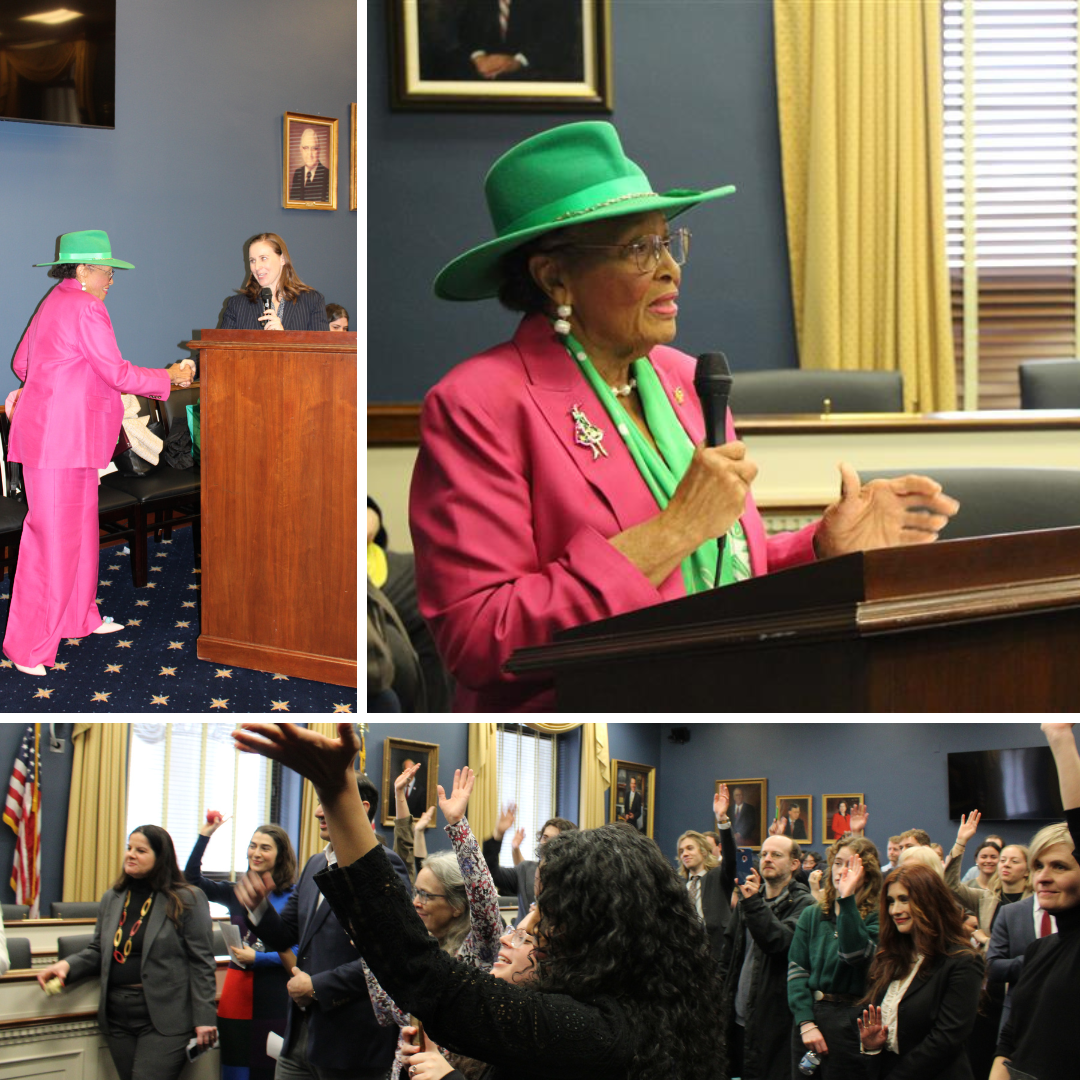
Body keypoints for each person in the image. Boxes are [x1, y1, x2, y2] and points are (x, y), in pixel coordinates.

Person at [410, 121, 959, 711]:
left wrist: (820, 550)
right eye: (638, 250)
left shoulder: (681, 377)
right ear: (555, 277)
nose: (671, 267)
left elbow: (712, 576)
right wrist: (672, 530)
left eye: (667, 242)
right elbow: (480, 639)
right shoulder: (478, 404)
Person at [232, 722, 727, 1080]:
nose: (525, 921)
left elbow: (425, 973)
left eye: (548, 913)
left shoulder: (596, 1030)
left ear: (599, 931)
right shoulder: (636, 1007)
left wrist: (337, 789)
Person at [2, 230, 193, 676]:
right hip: (60, 442)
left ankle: (77, 618)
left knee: (79, 535)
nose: (111, 279)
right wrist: (169, 377)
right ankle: (28, 648)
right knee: (51, 544)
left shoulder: (55, 299)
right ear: (83, 270)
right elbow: (116, 371)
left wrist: (43, 388)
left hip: (68, 438)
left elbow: (22, 364)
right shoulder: (88, 307)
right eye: (107, 271)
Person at [238, 773, 410, 1080]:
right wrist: (258, 907)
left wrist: (318, 986)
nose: (318, 811)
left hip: (350, 1042)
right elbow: (285, 933)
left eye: (327, 802)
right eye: (319, 802)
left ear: (362, 808)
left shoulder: (385, 866)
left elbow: (392, 955)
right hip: (299, 1034)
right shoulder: (315, 864)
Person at [35, 824, 216, 1080]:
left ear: (160, 857)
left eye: (141, 850)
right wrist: (67, 966)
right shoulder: (114, 897)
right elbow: (99, 950)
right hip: (117, 1016)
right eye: (129, 848)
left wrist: (205, 1017)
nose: (130, 854)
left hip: (165, 1018)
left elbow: (202, 962)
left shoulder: (187, 898)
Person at [359, 765, 504, 1080]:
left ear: (455, 906)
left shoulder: (477, 951)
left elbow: (483, 898)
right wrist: (368, 946)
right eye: (417, 894)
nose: (415, 903)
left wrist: (457, 824)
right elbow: (388, 1012)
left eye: (426, 896)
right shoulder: (416, 945)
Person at [990, 722, 1080, 1080]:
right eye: (1038, 865)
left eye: (1060, 866)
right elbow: (1011, 1034)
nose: (1042, 876)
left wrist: (1060, 739)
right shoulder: (1041, 950)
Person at [183, 815, 297, 1080]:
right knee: (234, 1072)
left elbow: (300, 951)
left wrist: (259, 958)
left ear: (280, 856)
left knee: (269, 1072)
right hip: (236, 995)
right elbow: (192, 879)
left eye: (265, 847)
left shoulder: (293, 896)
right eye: (252, 845)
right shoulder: (236, 891)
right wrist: (205, 835)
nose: (255, 853)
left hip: (276, 995)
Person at [856, 862, 983, 1080]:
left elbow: (946, 1039)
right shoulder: (889, 955)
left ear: (929, 901)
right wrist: (870, 1045)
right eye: (891, 901)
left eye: (904, 899)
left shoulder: (962, 961)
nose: (895, 910)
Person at [398, 908, 543, 1080]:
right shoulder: (490, 1019)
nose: (504, 939)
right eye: (511, 931)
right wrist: (416, 1067)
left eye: (523, 938)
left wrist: (447, 1077)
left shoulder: (544, 1041)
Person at [717, 830, 813, 1080]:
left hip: (774, 1023)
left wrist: (752, 904)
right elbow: (728, 957)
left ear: (794, 864)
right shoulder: (751, 898)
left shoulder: (805, 905)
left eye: (776, 855)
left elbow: (779, 942)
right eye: (764, 854)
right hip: (737, 1018)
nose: (767, 859)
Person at [788, 838, 882, 1080]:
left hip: (851, 1019)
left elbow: (854, 955)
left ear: (867, 873)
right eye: (838, 863)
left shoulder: (877, 917)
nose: (841, 870)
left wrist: (847, 898)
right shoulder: (813, 913)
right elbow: (797, 970)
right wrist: (805, 1022)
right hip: (811, 1017)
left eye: (851, 864)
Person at [482, 804, 577, 924]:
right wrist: (498, 835)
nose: (547, 844)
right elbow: (490, 873)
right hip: (520, 940)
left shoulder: (574, 879)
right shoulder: (526, 870)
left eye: (554, 839)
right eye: (545, 838)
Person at [221, 233, 330, 331]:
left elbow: (322, 351)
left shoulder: (312, 301)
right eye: (252, 260)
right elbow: (221, 351)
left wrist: (285, 339)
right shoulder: (237, 305)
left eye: (263, 258)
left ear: (282, 259)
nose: (257, 267)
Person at [677, 822, 733, 960]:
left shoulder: (718, 876)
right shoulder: (679, 886)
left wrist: (722, 822)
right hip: (687, 957)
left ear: (703, 851)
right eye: (681, 851)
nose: (685, 854)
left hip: (716, 955)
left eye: (690, 848)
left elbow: (730, 858)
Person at [288, 128, 330, 202]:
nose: (310, 154)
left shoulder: (328, 175)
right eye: (306, 148)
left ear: (319, 150)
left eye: (314, 148)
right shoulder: (298, 174)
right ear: (301, 150)